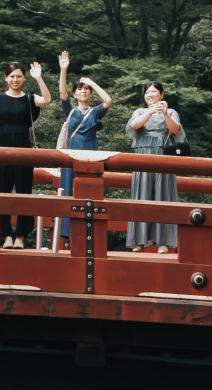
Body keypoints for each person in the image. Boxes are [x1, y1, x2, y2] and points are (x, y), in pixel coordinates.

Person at [0, 60, 51, 249]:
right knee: (2, 192)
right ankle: (6, 235)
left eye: (19, 76)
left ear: (24, 78)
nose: (15, 79)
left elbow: (47, 99)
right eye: (12, 76)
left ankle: (21, 236)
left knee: (24, 191)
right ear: (5, 78)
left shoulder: (30, 98)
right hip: (1, 149)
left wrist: (39, 78)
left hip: (24, 149)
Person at [53, 50, 112, 244]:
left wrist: (92, 82)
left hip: (90, 152)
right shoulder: (70, 111)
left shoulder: (95, 112)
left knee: (89, 191)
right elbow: (62, 94)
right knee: (69, 190)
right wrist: (63, 70)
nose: (83, 91)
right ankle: (68, 234)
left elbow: (108, 101)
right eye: (80, 88)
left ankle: (88, 234)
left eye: (87, 89)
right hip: (72, 152)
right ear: (75, 93)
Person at [126, 81, 184, 254]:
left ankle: (162, 241)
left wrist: (164, 113)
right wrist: (150, 111)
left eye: (153, 92)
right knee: (141, 196)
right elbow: (134, 126)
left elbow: (175, 130)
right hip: (142, 155)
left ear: (162, 94)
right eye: (147, 93)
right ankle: (139, 240)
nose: (150, 95)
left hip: (163, 156)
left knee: (163, 196)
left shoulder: (171, 112)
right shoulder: (139, 112)